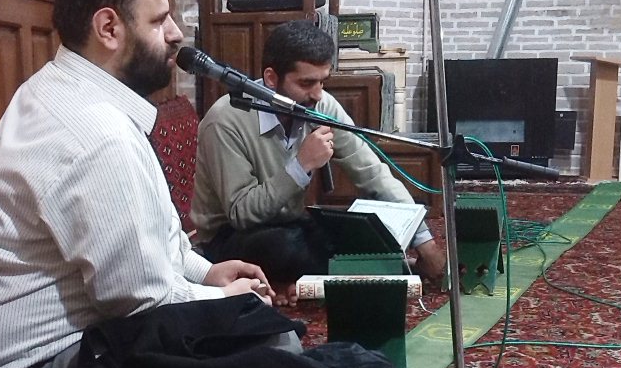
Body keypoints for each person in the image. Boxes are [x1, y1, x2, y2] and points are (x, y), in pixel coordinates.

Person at [0, 0, 274, 368]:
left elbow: (152, 242)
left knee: (268, 346)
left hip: (72, 346)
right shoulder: (97, 133)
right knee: (271, 348)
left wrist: (205, 273)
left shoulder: (70, 91)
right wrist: (223, 298)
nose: (176, 34)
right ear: (108, 28)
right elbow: (139, 300)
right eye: (159, 20)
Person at [190, 20, 445, 305]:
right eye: (306, 83)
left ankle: (328, 277)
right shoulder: (225, 120)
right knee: (285, 247)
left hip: (290, 224)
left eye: (322, 81)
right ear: (272, 78)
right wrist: (300, 166)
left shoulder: (320, 105)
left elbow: (371, 172)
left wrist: (423, 240)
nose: (318, 94)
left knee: (359, 229)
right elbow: (242, 213)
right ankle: (374, 273)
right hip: (229, 238)